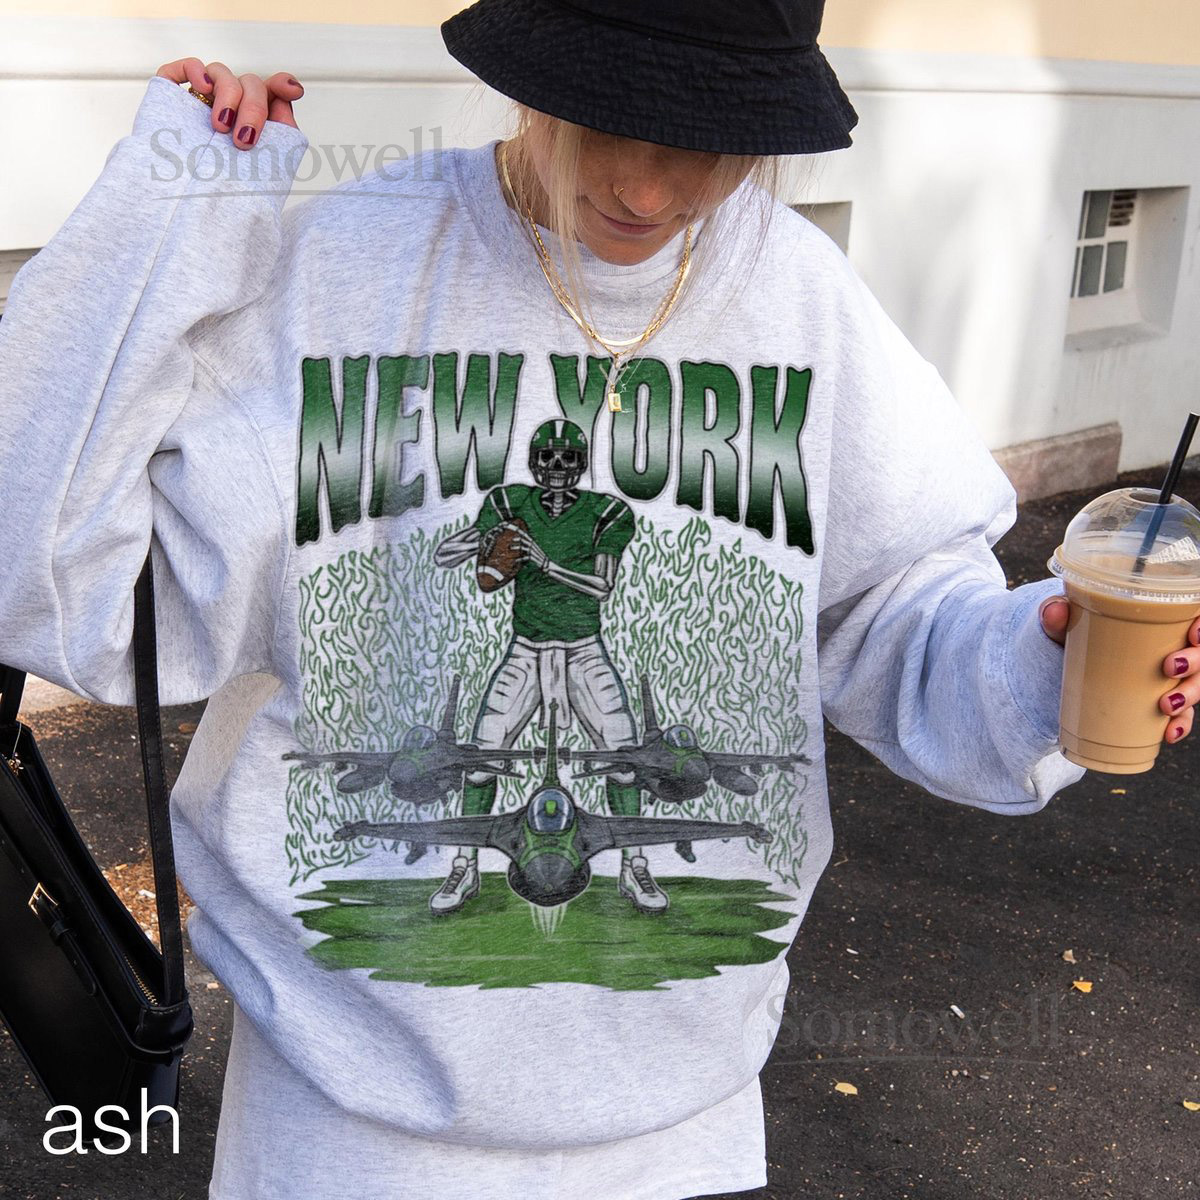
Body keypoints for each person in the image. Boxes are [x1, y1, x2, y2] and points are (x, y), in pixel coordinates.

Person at [0, 0, 1196, 1197]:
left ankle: (639, 869)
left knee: (631, 757)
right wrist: (172, 211)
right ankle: (467, 872)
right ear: (534, 74)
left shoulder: (796, 294)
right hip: (347, 1137)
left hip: (682, 1138)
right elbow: (62, 591)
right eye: (618, 119)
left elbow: (895, 614)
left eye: (716, 138)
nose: (652, 188)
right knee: (484, 754)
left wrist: (1049, 662)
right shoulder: (351, 269)